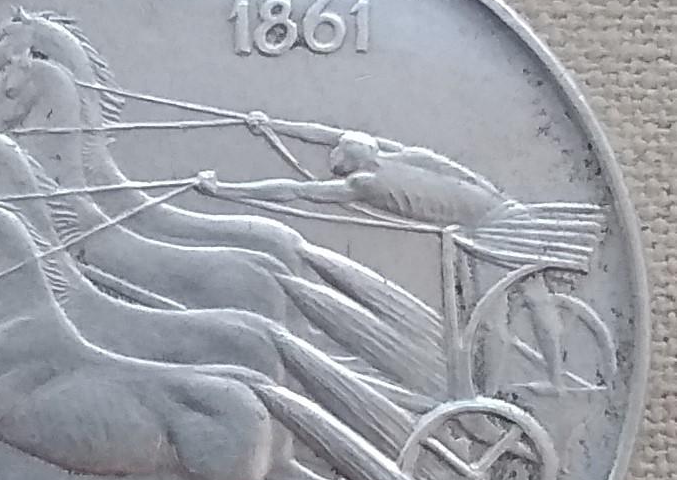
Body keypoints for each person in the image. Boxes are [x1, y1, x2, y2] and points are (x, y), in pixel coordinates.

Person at [195, 111, 606, 391]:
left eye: (337, 154)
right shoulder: (399, 154)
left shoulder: (363, 185)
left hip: (490, 233)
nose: (330, 153)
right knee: (535, 297)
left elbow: (294, 191)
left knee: (492, 317)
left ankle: (491, 396)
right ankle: (556, 379)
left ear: (351, 162)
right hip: (509, 212)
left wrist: (225, 190)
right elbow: (323, 134)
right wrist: (272, 126)